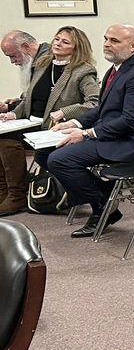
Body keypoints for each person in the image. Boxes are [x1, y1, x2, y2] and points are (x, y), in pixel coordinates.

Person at [47, 24, 134, 238]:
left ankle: (101, 203)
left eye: (114, 41)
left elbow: (129, 122)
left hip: (129, 143)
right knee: (44, 151)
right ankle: (103, 195)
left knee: (59, 160)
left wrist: (87, 134)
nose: (107, 44)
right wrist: (75, 123)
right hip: (112, 135)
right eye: (106, 39)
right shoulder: (117, 68)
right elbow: (103, 109)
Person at [0, 26, 99, 215]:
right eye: (57, 39)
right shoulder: (44, 64)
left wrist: (64, 112)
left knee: (7, 141)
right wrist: (13, 113)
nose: (58, 43)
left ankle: (17, 195)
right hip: (31, 122)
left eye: (65, 42)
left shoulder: (83, 71)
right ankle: (4, 192)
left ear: (77, 48)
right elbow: (29, 97)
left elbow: (94, 102)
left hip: (55, 127)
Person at [0, 30, 49, 113]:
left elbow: (42, 102)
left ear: (26, 47)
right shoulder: (35, 61)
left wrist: (10, 107)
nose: (12, 61)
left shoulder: (49, 62)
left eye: (13, 56)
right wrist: (19, 101)